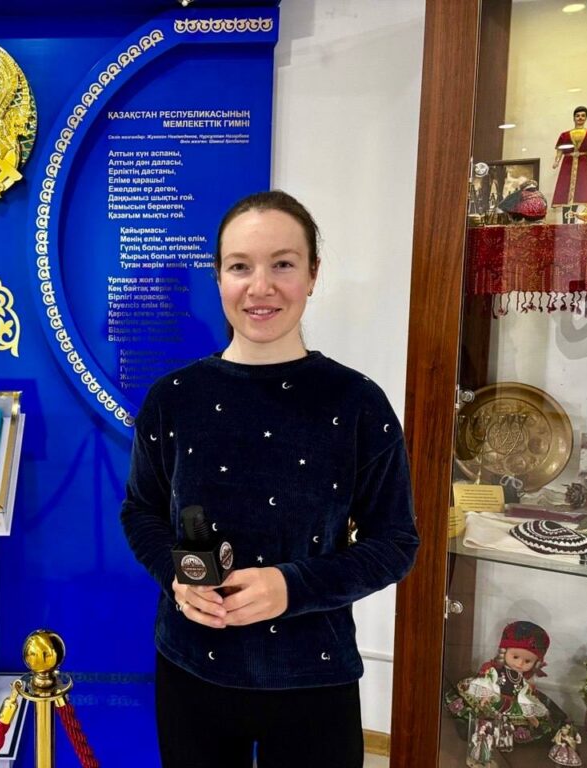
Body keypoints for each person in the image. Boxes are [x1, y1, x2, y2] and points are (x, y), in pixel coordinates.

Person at [120, 190, 420, 768]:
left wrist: (293, 586)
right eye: (241, 267)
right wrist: (177, 578)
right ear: (218, 277)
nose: (261, 287)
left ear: (312, 274)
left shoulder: (358, 402)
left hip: (315, 677)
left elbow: (395, 543)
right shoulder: (173, 398)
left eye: (282, 264)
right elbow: (141, 512)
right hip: (191, 669)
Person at [448, 620, 554, 742]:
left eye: (527, 661)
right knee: (482, 710)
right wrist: (486, 694)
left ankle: (501, 735)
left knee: (519, 718)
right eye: (515, 657)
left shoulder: (523, 682)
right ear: (504, 651)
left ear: (535, 663)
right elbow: (488, 681)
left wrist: (529, 712)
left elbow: (523, 696)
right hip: (495, 699)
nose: (520, 663)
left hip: (511, 705)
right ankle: (474, 728)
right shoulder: (496, 670)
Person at [552, 106, 587, 223]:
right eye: (577, 116)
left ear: (586, 118)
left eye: (583, 116)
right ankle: (565, 221)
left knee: (579, 190)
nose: (580, 118)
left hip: (582, 162)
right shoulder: (565, 134)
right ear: (574, 118)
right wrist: (556, 161)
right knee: (564, 189)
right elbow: (560, 150)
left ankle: (573, 220)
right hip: (567, 163)